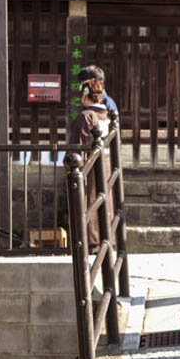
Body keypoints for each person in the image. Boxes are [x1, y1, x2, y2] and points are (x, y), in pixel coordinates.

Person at [68, 78, 113, 248]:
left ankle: (90, 241)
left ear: (85, 96)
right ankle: (106, 239)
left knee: (88, 201)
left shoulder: (86, 116)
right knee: (104, 200)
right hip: (106, 163)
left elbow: (76, 147)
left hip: (88, 165)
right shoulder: (107, 116)